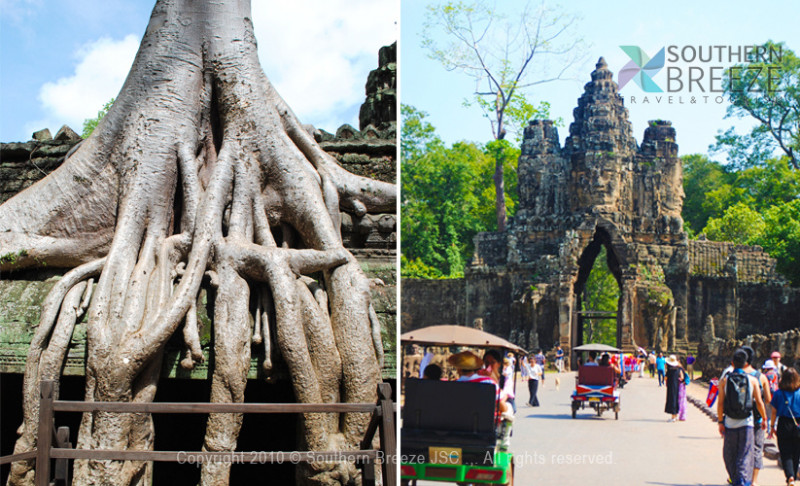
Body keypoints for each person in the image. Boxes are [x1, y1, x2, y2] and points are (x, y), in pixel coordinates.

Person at [717, 348, 767, 486]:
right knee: (744, 455)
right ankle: (742, 481)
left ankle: (736, 478)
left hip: (730, 423)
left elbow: (720, 403)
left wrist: (720, 421)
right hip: (747, 423)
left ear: (732, 362)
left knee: (729, 454)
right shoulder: (752, 380)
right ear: (746, 363)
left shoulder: (724, 380)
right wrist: (764, 419)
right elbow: (759, 403)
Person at [741, 345, 772, 486]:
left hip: (739, 417)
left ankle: (740, 477)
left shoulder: (733, 374)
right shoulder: (761, 377)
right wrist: (765, 417)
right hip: (757, 416)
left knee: (741, 448)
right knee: (757, 448)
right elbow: (768, 399)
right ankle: (753, 480)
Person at [769, 368, 800, 486]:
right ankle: (793, 476)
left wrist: (772, 426)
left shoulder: (778, 393)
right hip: (798, 424)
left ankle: (790, 476)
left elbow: (773, 411)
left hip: (783, 423)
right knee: (797, 452)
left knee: (785, 453)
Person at [664, 355, 683, 422]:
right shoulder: (679, 369)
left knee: (672, 400)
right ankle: (676, 415)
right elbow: (682, 377)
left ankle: (673, 417)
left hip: (671, 386)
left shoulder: (669, 370)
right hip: (677, 386)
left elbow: (665, 378)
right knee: (676, 400)